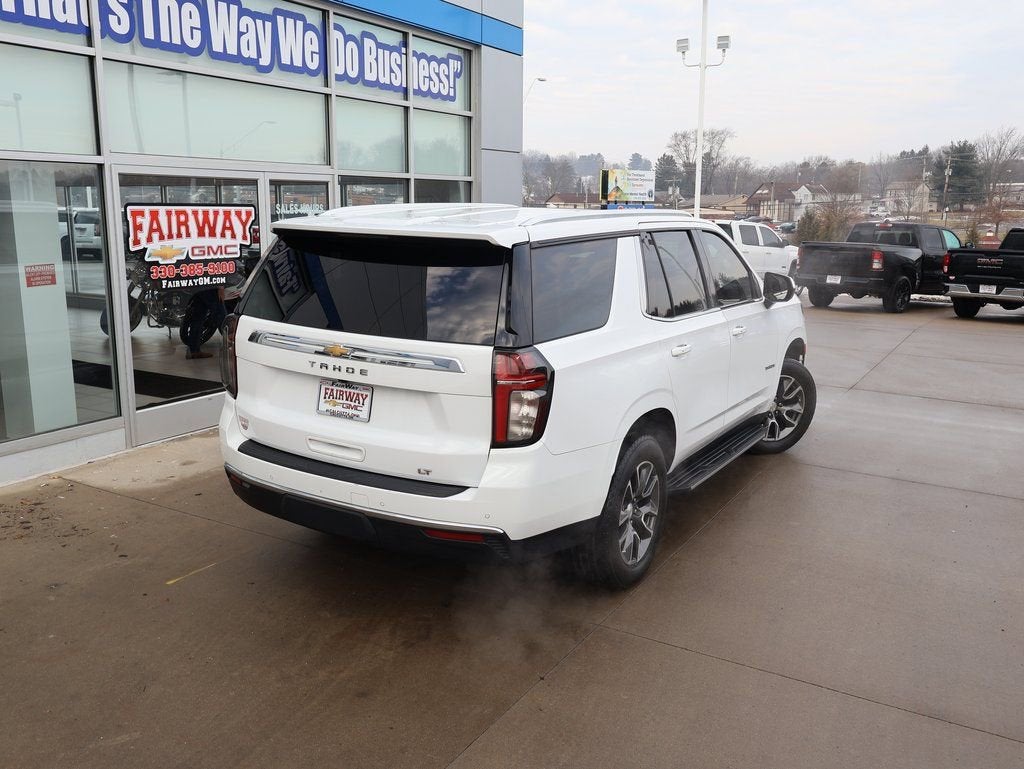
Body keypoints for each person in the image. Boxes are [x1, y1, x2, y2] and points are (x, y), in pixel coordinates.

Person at [184, 288, 226, 360]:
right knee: (220, 313)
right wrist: (220, 287)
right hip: (210, 286)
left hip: (199, 285)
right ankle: (234, 344)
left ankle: (194, 351)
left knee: (198, 317)